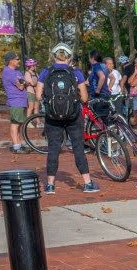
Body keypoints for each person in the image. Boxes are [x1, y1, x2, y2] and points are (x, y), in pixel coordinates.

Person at [36, 42, 98, 194]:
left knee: (53, 149)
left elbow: (38, 96)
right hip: (73, 116)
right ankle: (87, 183)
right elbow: (84, 97)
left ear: (54, 56)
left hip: (52, 117)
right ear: (69, 57)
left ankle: (50, 185)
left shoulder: (46, 72)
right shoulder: (75, 72)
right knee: (78, 147)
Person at [1, 52, 28, 153]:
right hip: (16, 100)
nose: (18, 61)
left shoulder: (17, 71)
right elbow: (21, 85)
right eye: (16, 59)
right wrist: (24, 82)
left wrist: (24, 82)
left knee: (19, 123)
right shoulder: (8, 72)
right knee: (15, 124)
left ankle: (19, 144)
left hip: (22, 100)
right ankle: (16, 146)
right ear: (10, 61)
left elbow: (23, 82)